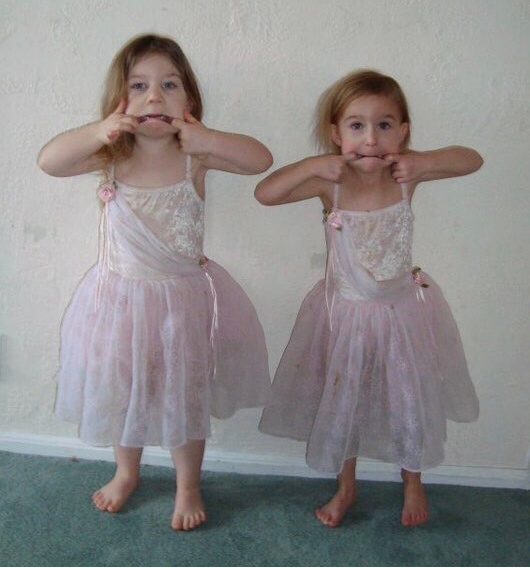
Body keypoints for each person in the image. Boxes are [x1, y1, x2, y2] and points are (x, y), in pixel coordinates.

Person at [38, 33, 272, 531]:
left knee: (185, 391)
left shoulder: (195, 158)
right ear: (120, 103)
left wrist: (206, 138)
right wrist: (100, 131)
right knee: (126, 388)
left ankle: (188, 483)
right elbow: (50, 161)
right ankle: (127, 471)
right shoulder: (112, 157)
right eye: (139, 86)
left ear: (188, 100)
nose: (154, 97)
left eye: (169, 85)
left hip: (181, 302)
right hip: (119, 301)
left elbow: (259, 160)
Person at [257, 69, 481, 528]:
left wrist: (424, 161)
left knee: (407, 398)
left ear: (403, 132)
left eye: (384, 124)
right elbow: (265, 193)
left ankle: (413, 480)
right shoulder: (331, 182)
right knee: (346, 398)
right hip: (345, 316)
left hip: (403, 314)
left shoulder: (405, 174)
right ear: (336, 134)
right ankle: (346, 484)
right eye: (356, 126)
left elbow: (471, 159)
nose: (371, 138)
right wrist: (312, 166)